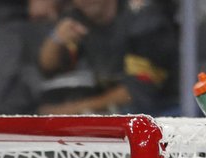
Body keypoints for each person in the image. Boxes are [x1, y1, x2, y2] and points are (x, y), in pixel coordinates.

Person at [36, 0, 178, 115]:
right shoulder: (78, 17)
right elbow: (48, 68)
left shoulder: (143, 16)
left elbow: (139, 90)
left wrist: (72, 110)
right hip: (112, 106)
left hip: (164, 109)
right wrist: (55, 39)